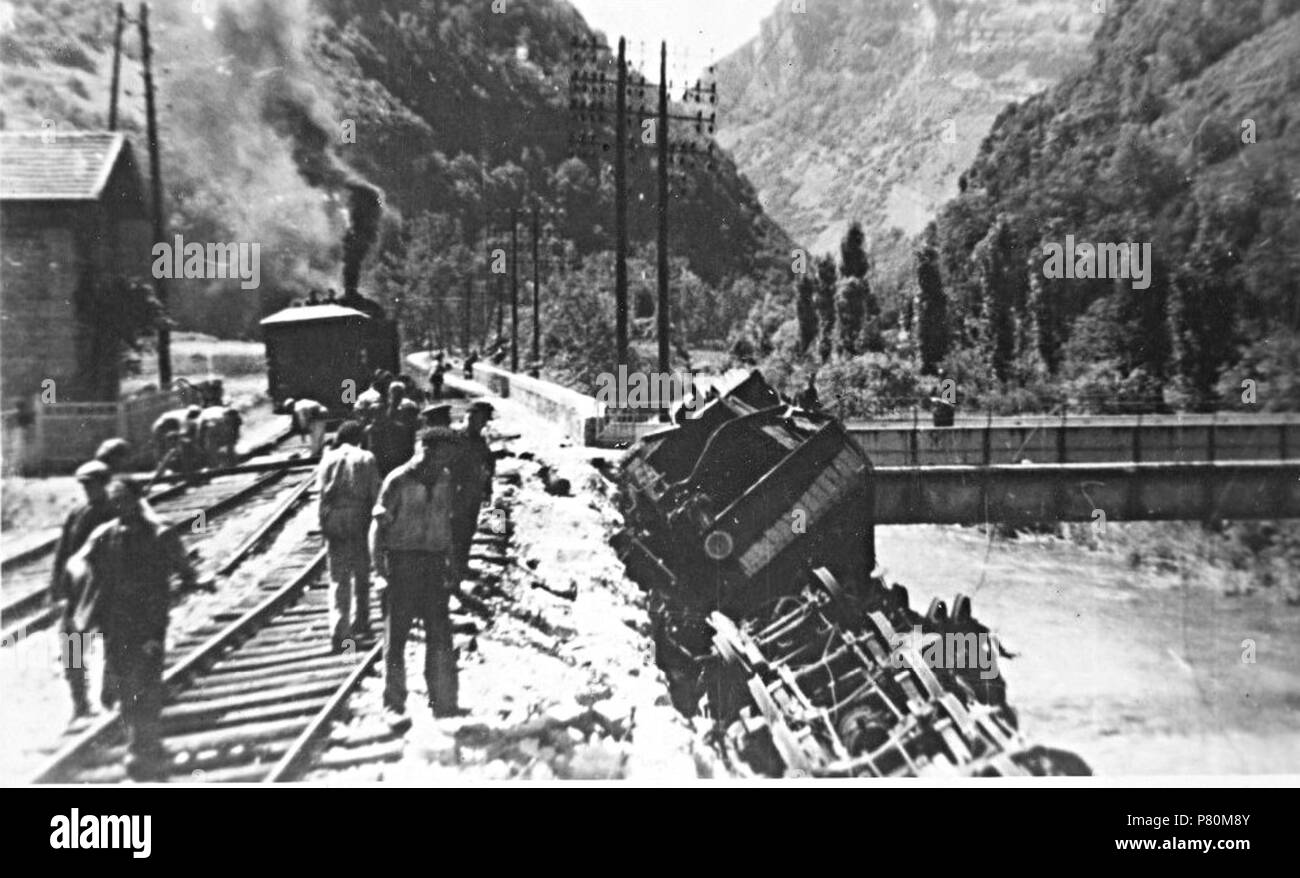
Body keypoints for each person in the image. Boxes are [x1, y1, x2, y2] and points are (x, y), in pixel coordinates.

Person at [70, 479, 205, 780]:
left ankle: (147, 740)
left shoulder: (160, 533)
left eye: (124, 499)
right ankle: (138, 742)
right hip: (116, 624)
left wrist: (190, 580)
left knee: (147, 678)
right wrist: (86, 583)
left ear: (137, 499)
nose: (119, 505)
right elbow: (79, 562)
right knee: (124, 683)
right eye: (114, 500)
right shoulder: (105, 535)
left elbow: (185, 569)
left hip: (149, 624)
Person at [369, 428, 465, 728]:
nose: (442, 461)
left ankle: (444, 703)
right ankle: (393, 705)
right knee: (395, 638)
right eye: (439, 454)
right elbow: (377, 528)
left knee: (440, 636)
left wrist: (450, 561)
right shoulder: (397, 480)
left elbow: (446, 521)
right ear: (424, 449)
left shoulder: (445, 479)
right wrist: (380, 572)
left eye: (447, 456)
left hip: (434, 565)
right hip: (402, 564)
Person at [49, 460, 116, 721]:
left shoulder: (116, 511)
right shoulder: (77, 514)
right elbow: (63, 552)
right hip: (79, 592)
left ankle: (110, 698)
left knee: (115, 644)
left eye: (93, 484)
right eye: (84, 485)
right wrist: (57, 588)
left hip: (110, 588)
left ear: (104, 484)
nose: (88, 489)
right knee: (71, 645)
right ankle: (80, 703)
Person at [317, 421, 380, 651]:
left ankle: (339, 632)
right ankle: (361, 622)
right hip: (359, 519)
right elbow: (375, 495)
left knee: (338, 578)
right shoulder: (367, 457)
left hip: (333, 519)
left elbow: (321, 496)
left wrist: (323, 526)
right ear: (359, 437)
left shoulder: (327, 459)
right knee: (362, 573)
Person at [450, 401, 496, 588]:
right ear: (471, 417)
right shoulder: (455, 437)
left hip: (473, 492)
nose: (483, 424)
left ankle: (462, 565)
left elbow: (486, 465)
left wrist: (487, 489)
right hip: (457, 492)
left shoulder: (479, 439)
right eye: (481, 420)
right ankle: (453, 571)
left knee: (468, 529)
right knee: (455, 531)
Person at [366, 382, 418, 477]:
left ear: (403, 394)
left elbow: (411, 427)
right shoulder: (383, 406)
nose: (396, 396)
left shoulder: (408, 406)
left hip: (403, 443)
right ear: (390, 393)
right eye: (394, 392)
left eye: (399, 393)